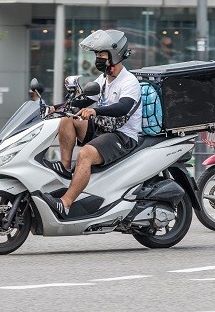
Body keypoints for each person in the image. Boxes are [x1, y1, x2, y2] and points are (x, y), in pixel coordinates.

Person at [41, 29, 142, 218]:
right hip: (103, 129)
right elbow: (83, 100)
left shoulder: (129, 82)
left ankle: (65, 203)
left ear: (115, 54)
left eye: (101, 54)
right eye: (96, 54)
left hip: (123, 135)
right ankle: (64, 166)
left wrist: (96, 110)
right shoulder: (104, 79)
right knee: (67, 120)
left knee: (86, 154)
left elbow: (123, 106)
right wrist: (55, 108)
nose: (98, 58)